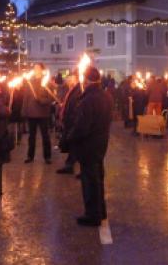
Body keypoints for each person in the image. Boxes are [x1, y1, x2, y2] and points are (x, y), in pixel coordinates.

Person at [66, 66, 113, 226]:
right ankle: (101, 210)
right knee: (98, 178)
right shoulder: (105, 95)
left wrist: (69, 137)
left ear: (86, 80)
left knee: (90, 181)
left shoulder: (89, 99)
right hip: (100, 144)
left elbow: (82, 127)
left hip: (89, 146)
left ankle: (92, 215)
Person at [21, 63, 53, 164]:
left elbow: (50, 98)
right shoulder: (29, 82)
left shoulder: (46, 82)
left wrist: (41, 100)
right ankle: (30, 156)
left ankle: (47, 156)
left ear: (42, 70)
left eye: (38, 68)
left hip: (43, 113)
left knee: (45, 135)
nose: (36, 70)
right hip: (31, 113)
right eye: (34, 68)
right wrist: (24, 110)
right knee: (31, 136)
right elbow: (25, 97)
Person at [57, 72, 81, 174]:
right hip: (70, 120)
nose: (68, 80)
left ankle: (71, 165)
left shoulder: (78, 90)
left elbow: (77, 106)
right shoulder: (72, 89)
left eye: (71, 78)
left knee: (75, 144)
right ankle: (70, 164)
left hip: (73, 121)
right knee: (72, 145)